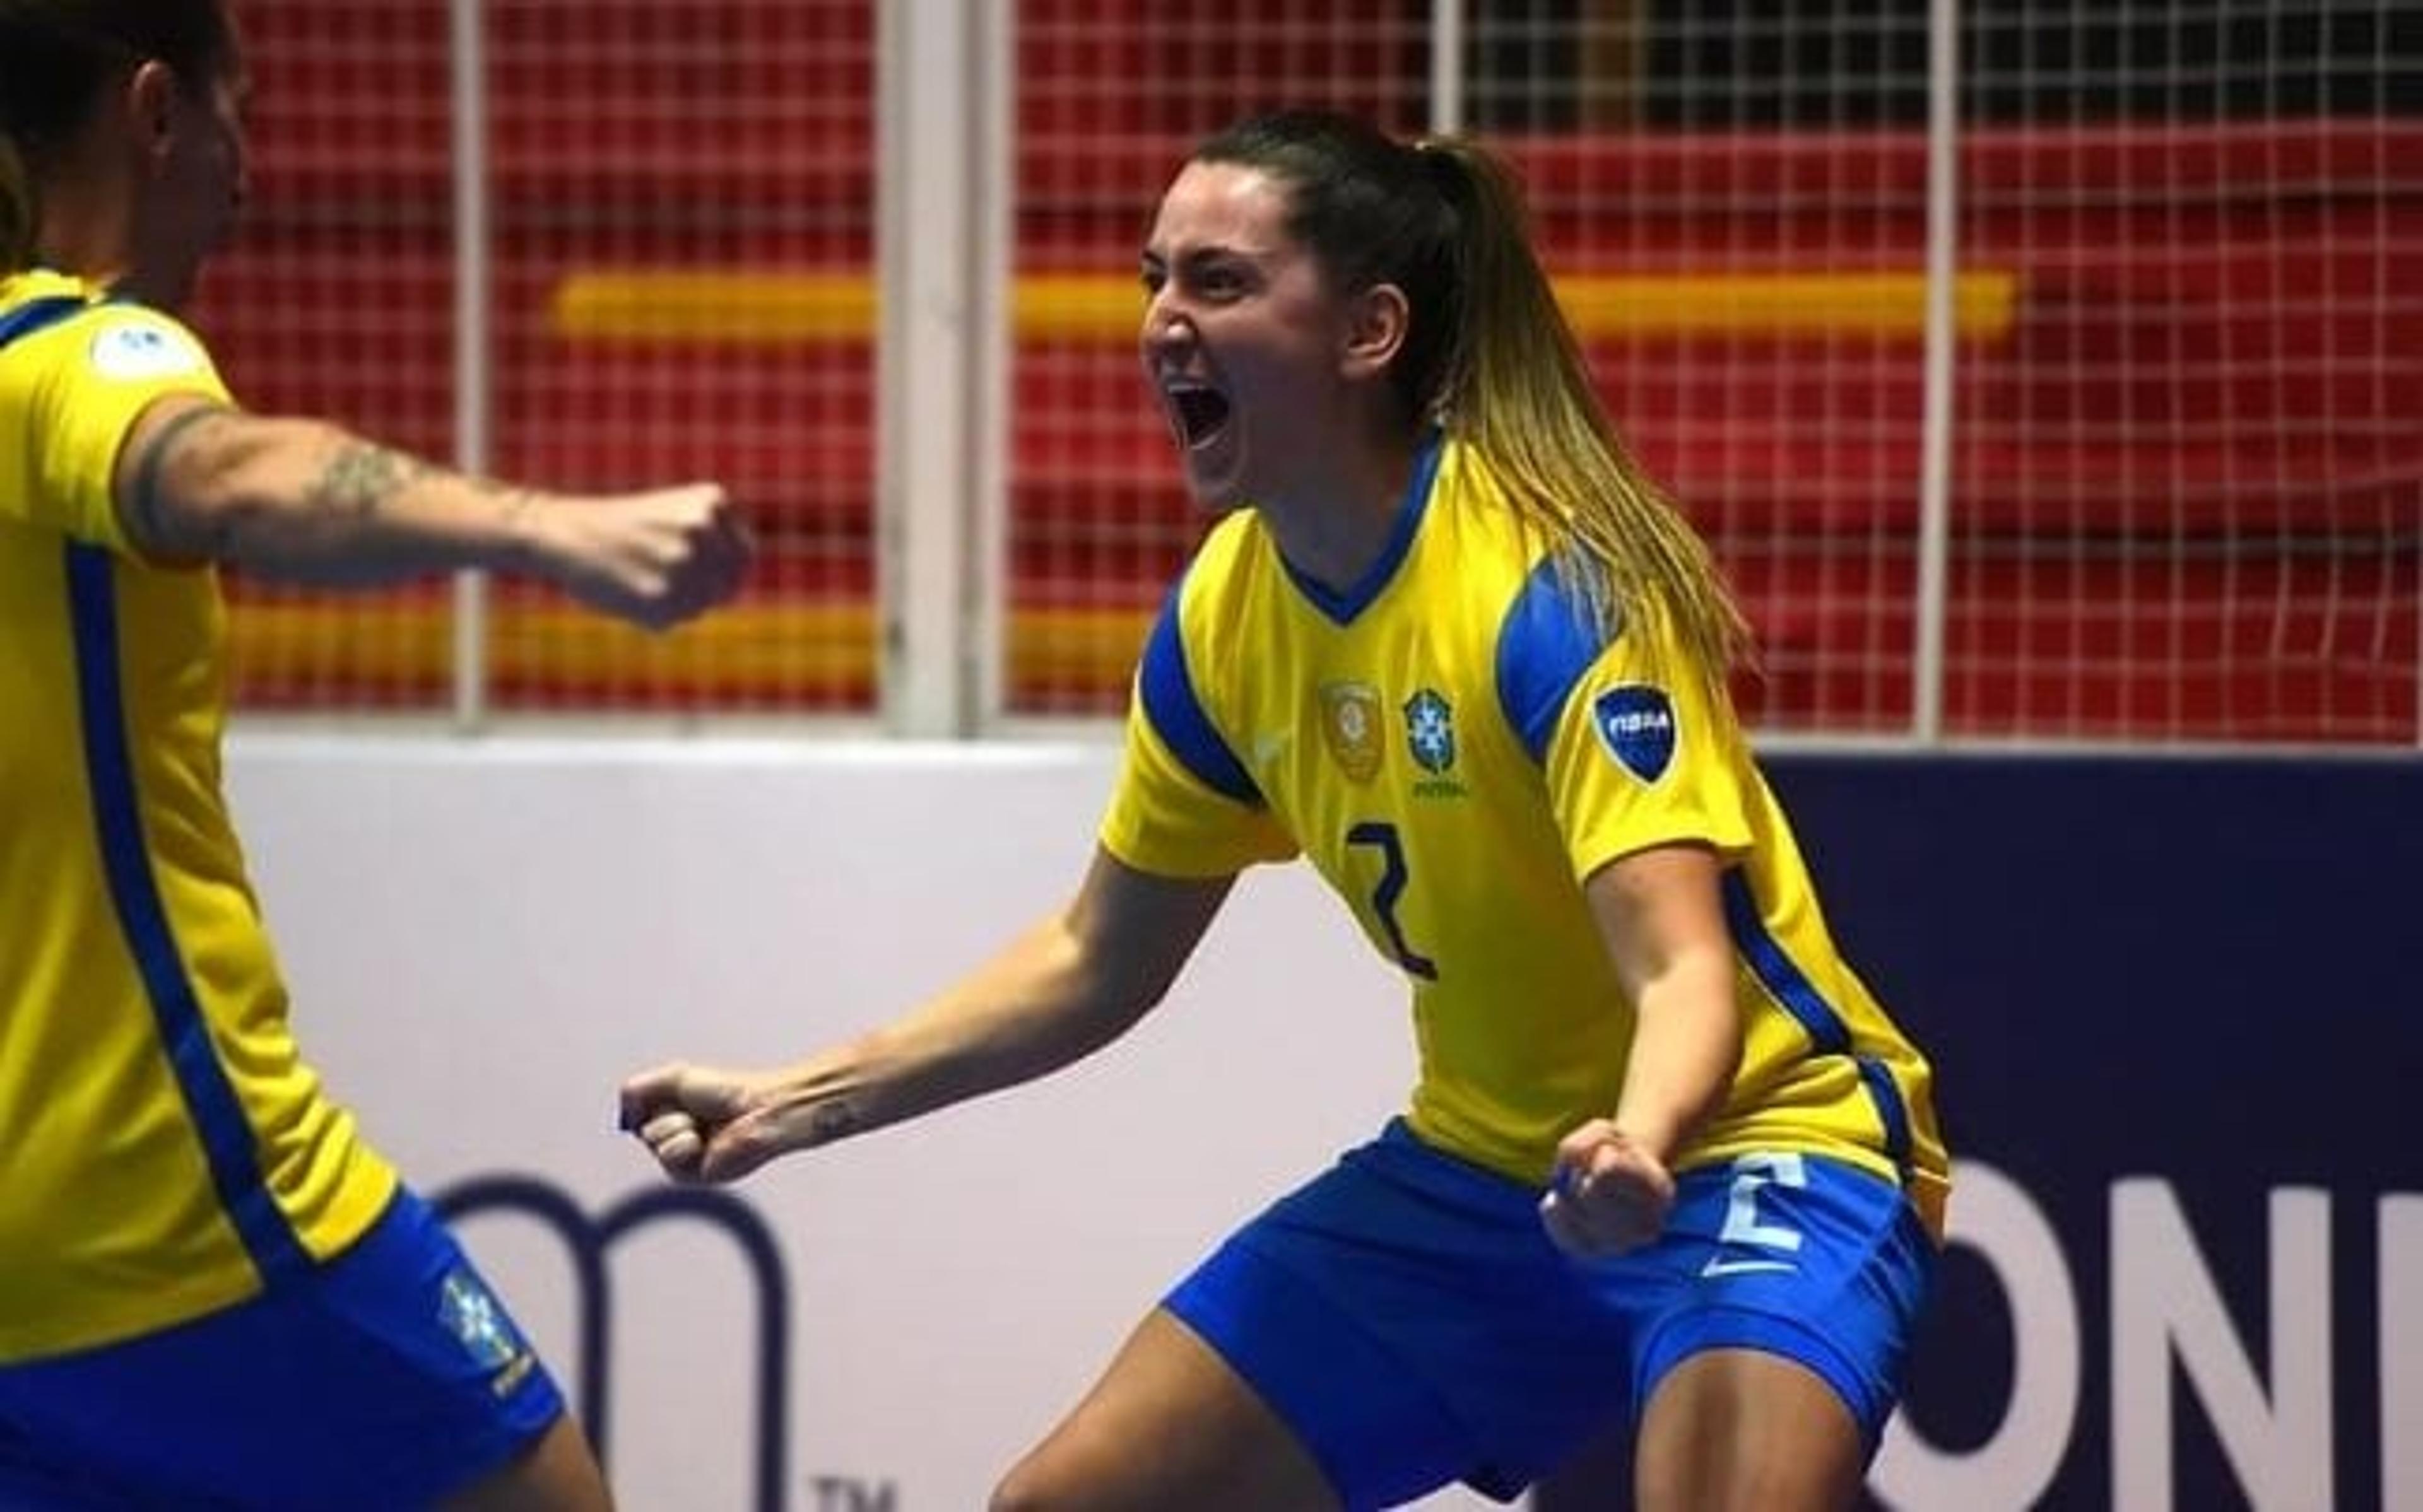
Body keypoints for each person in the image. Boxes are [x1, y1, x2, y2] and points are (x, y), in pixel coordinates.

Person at [622, 108, 1948, 1512]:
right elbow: (1096, 958)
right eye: (1155, 279)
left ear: (1367, 332)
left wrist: (1637, 1138)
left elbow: (1684, 966)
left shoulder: (1546, 589)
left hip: (1757, 1147)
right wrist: (797, 1097)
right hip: (1482, 1180)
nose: (1163, 323)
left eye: (1220, 281)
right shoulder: (1222, 619)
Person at [0, 3, 752, 1508]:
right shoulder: (68, 355)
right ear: (158, 114)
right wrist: (554, 529)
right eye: (238, 113)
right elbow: (219, 468)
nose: (250, 172)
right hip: (169, 1196)